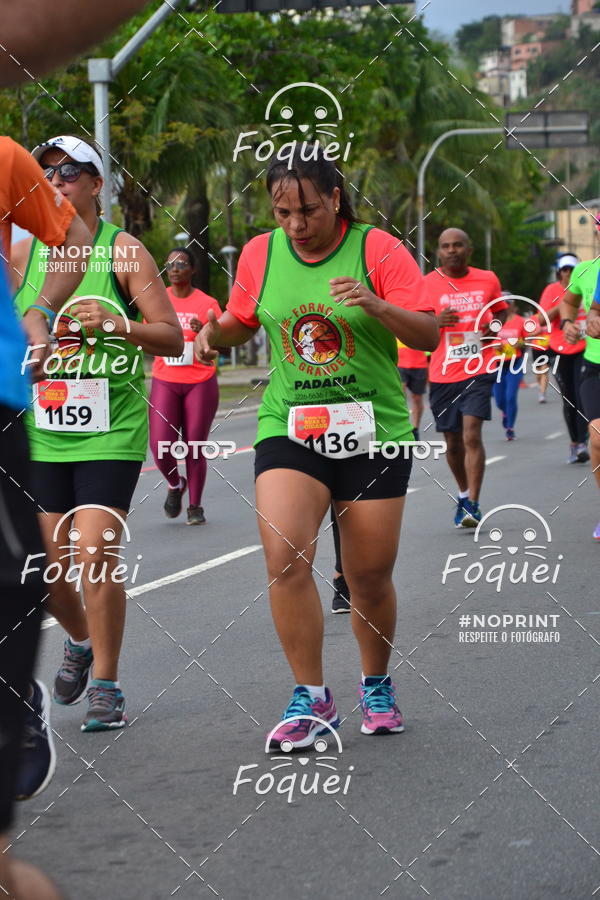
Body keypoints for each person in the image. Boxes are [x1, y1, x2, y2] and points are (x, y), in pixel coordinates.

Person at [195, 146, 438, 749]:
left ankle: (375, 683)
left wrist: (376, 304)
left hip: (373, 428)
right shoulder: (260, 253)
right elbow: (243, 320)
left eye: (307, 211)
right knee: (284, 557)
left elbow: (429, 333)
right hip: (291, 423)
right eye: (283, 213)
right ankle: (312, 696)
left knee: (367, 577)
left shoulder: (377, 249)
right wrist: (213, 334)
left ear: (334, 197)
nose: (296, 225)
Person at [12, 134, 182, 734]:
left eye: (69, 172)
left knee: (95, 552)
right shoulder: (23, 253)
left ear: (95, 183)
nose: (56, 182)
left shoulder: (122, 251)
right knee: (45, 568)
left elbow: (172, 337)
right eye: (46, 174)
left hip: (111, 429)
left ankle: (106, 685)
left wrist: (119, 325)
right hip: (43, 430)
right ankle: (81, 640)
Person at [0, 135, 93, 900]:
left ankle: (17, 702)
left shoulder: (4, 158)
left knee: (17, 577)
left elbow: (76, 236)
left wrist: (38, 310)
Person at [425, 228, 507, 528]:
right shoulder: (427, 284)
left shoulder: (488, 279)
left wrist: (493, 328)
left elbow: (501, 312)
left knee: (471, 433)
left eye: (458, 245)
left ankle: (473, 502)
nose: (452, 250)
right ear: (439, 252)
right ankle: (462, 493)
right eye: (446, 246)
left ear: (468, 249)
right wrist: (436, 321)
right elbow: (415, 322)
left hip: (479, 367)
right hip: (443, 372)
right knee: (452, 440)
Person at [150, 247, 221, 525]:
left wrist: (204, 330)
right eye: (169, 265)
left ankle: (195, 506)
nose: (175, 269)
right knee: (160, 445)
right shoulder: (157, 300)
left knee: (194, 446)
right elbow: (148, 336)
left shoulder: (207, 303)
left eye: (181, 264)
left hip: (199, 382)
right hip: (165, 380)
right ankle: (175, 483)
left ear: (193, 269)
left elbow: (223, 342)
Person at [560, 252, 600, 540]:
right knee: (596, 434)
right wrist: (569, 323)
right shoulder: (585, 270)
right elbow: (574, 304)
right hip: (594, 364)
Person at [538, 253, 589, 464]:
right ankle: (575, 443)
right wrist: (562, 306)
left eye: (572, 269)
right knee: (569, 399)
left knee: (582, 395)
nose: (569, 273)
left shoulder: (587, 284)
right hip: (559, 350)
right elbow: (540, 320)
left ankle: (583, 443)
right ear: (560, 272)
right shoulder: (551, 290)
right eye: (565, 269)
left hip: (585, 348)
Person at [491, 298, 527, 441]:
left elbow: (527, 341)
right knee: (499, 400)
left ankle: (510, 428)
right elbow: (485, 339)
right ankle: (505, 412)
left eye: (509, 303)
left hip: (515, 363)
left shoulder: (520, 321)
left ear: (513, 305)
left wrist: (520, 344)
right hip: (497, 364)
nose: (506, 306)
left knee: (510, 397)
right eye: (504, 303)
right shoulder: (493, 321)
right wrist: (494, 345)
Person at [397, 340, 428, 440]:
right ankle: (402, 426)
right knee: (400, 395)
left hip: (419, 363)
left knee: (417, 398)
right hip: (400, 362)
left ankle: (415, 428)